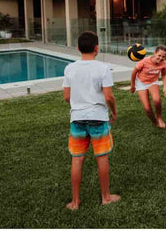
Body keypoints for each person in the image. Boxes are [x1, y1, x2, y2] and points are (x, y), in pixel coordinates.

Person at [63, 31, 120, 211]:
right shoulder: (102, 68)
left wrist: (78, 105)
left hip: (77, 118)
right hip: (98, 117)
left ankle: (75, 202)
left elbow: (67, 96)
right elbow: (109, 97)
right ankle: (106, 197)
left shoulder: (69, 68)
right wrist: (114, 111)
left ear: (78, 48)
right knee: (101, 156)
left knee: (77, 159)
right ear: (97, 48)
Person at [130, 46, 166, 128]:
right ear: (154, 53)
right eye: (159, 55)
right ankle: (155, 122)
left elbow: (164, 74)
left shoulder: (164, 63)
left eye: (163, 56)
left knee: (157, 100)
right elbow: (134, 73)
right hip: (141, 83)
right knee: (147, 109)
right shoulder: (144, 62)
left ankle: (159, 118)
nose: (161, 58)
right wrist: (133, 85)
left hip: (153, 82)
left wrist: (165, 87)